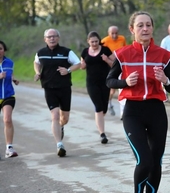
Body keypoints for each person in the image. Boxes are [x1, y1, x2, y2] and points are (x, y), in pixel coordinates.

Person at [106, 11, 170, 193]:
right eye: (140, 26)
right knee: (144, 160)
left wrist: (165, 79)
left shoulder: (163, 55)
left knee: (156, 162)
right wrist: (125, 83)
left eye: (148, 25)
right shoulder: (123, 54)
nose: (145, 29)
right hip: (133, 112)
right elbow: (109, 81)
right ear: (132, 30)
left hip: (156, 111)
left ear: (152, 28)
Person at [33, 29, 81, 157]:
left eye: (54, 36)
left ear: (58, 38)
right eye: (49, 37)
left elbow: (78, 63)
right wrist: (38, 72)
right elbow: (36, 63)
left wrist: (68, 70)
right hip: (49, 88)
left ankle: (61, 126)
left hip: (64, 87)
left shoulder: (66, 52)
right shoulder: (41, 53)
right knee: (54, 115)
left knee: (64, 118)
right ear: (45, 39)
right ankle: (59, 144)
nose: (52, 38)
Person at [81, 31, 113, 144]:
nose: (94, 43)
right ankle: (102, 134)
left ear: (99, 40)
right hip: (91, 83)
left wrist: (107, 60)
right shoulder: (85, 51)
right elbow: (82, 66)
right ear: (88, 42)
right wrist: (82, 65)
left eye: (96, 41)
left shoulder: (105, 50)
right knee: (98, 106)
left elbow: (114, 64)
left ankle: (99, 119)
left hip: (105, 82)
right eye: (92, 42)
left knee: (103, 107)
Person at [101, 26, 127, 119]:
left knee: (122, 87)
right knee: (112, 89)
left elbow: (125, 50)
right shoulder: (105, 41)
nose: (115, 35)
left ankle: (122, 112)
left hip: (121, 65)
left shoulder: (122, 38)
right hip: (109, 65)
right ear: (108, 33)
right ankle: (109, 101)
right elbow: (102, 53)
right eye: (112, 33)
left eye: (116, 33)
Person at [0, 41, 19, 159]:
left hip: (8, 95)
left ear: (4, 50)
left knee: (7, 119)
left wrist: (14, 79)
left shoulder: (9, 62)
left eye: (1, 48)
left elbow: (10, 74)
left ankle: (9, 147)